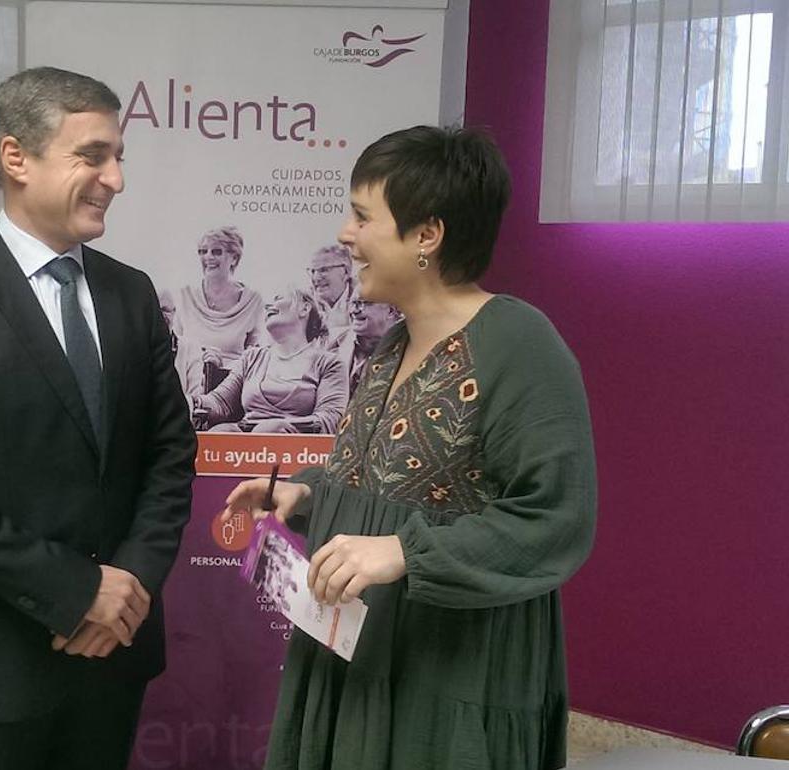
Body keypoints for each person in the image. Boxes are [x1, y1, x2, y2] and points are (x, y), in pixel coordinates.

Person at [223, 126, 596, 770]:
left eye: (362, 216)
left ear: (427, 234)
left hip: (448, 672)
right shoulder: (393, 343)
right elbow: (388, 477)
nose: (346, 234)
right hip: (357, 656)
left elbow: (556, 518)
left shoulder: (520, 344)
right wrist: (306, 492)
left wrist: (406, 552)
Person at [0, 67, 196, 770]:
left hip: (112, 657)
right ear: (16, 157)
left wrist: (127, 588)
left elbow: (170, 454)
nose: (116, 179)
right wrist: (78, 593)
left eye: (118, 158)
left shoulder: (131, 294)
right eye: (93, 156)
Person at [192, 286, 347, 434]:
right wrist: (192, 402)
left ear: (304, 308)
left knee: (267, 431)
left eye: (278, 298)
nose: (268, 306)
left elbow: (330, 419)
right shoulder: (252, 358)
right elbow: (221, 402)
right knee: (222, 432)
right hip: (243, 443)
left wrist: (280, 428)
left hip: (296, 446)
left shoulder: (329, 363)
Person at [168, 226, 267, 399]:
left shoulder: (253, 301)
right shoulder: (184, 296)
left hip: (231, 387)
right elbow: (176, 347)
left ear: (234, 258)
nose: (208, 257)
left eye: (216, 252)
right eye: (203, 251)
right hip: (189, 381)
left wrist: (221, 365)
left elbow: (254, 358)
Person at [337, 297, 402, 396]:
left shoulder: (412, 349)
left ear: (391, 311)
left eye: (364, 303)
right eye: (353, 303)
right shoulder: (329, 341)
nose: (354, 310)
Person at [306, 243, 355, 344]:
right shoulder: (306, 303)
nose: (316, 278)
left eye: (323, 270)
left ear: (346, 272)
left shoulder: (365, 298)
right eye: (313, 271)